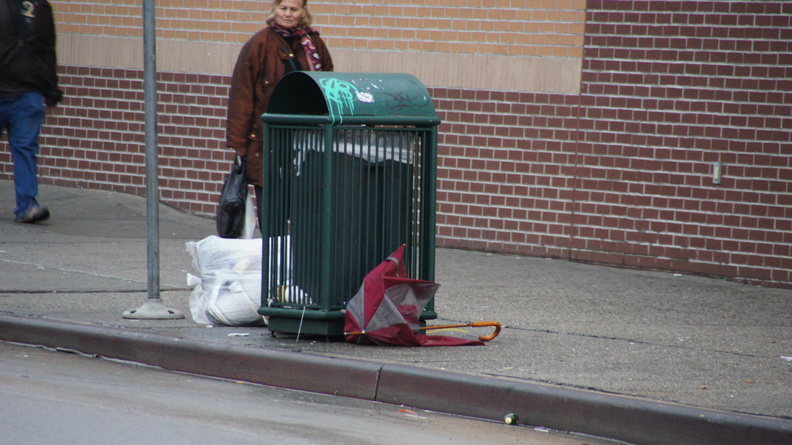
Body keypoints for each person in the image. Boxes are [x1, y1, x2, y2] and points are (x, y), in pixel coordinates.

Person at [225, 0, 333, 229]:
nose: (288, 14)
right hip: (267, 139)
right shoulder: (260, 44)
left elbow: (328, 85)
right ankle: (274, 256)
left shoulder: (314, 44)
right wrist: (240, 145)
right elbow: (242, 95)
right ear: (274, 10)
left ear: (303, 12)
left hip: (306, 137)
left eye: (294, 9)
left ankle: (298, 257)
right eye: (283, 8)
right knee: (271, 206)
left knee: (305, 202)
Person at [0, 0, 63, 223]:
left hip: (28, 93)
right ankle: (26, 206)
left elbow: (47, 50)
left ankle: (27, 205)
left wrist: (50, 92)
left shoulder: (40, 7)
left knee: (26, 149)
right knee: (26, 149)